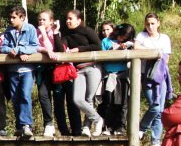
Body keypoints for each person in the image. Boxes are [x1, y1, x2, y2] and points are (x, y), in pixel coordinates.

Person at [59, 9, 103, 137]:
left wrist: (79, 49)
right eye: (67, 19)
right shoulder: (66, 34)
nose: (68, 21)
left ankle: (86, 127)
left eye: (70, 19)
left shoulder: (87, 30)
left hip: (92, 67)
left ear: (79, 20)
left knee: (89, 98)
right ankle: (98, 119)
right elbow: (62, 48)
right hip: (78, 70)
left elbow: (97, 46)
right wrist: (56, 33)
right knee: (77, 99)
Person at [135, 12, 173, 146]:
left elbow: (166, 58)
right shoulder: (141, 36)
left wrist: (155, 54)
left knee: (160, 110)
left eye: (152, 23)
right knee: (155, 106)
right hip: (147, 76)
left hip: (160, 75)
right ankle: (142, 127)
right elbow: (136, 48)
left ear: (158, 23)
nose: (150, 26)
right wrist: (154, 52)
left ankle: (155, 140)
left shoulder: (164, 38)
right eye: (148, 24)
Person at [1, 6, 39, 138]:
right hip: (12, 70)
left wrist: (20, 50)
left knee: (25, 95)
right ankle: (19, 126)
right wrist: (11, 51)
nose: (11, 20)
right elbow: (3, 47)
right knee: (15, 98)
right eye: (10, 17)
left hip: (27, 70)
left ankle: (26, 125)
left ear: (22, 17)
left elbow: (35, 46)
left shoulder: (30, 29)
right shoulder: (8, 31)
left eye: (14, 17)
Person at [98, 23, 134, 135]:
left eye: (124, 38)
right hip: (109, 74)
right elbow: (103, 56)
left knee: (123, 103)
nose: (121, 39)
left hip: (123, 74)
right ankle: (108, 126)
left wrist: (127, 46)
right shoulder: (106, 41)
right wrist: (117, 49)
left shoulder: (129, 43)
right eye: (121, 36)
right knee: (109, 101)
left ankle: (119, 127)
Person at [36, 10, 60, 137]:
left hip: (56, 69)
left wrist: (44, 34)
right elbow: (35, 47)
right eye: (40, 19)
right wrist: (44, 50)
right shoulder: (35, 32)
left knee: (58, 99)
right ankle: (48, 124)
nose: (41, 22)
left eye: (44, 19)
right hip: (42, 69)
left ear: (51, 21)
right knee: (43, 95)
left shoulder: (55, 33)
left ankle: (63, 128)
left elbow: (53, 49)